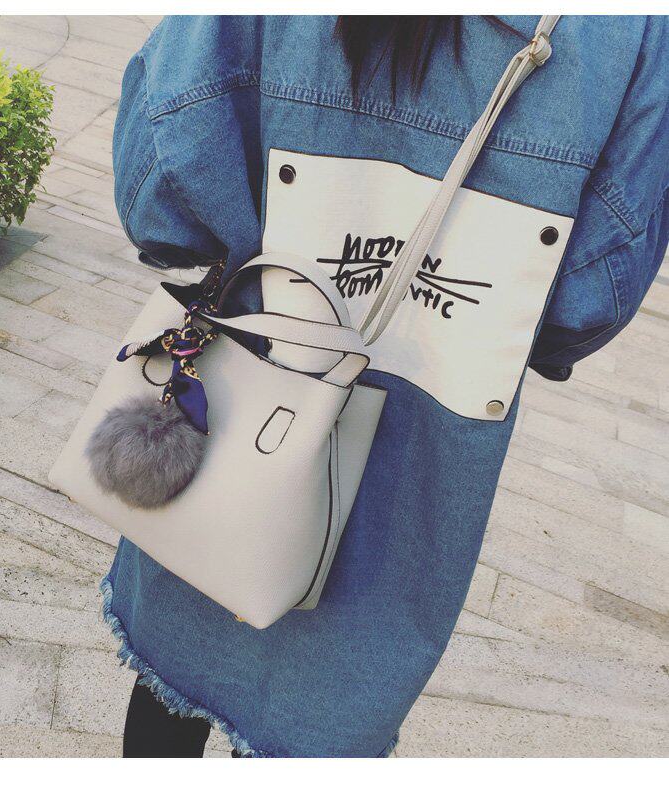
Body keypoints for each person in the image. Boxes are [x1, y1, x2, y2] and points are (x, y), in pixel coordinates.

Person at [108, 15, 669, 757]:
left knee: (177, 658)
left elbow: (161, 183)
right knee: (325, 706)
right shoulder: (636, 31)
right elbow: (587, 300)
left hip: (243, 391)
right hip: (428, 440)